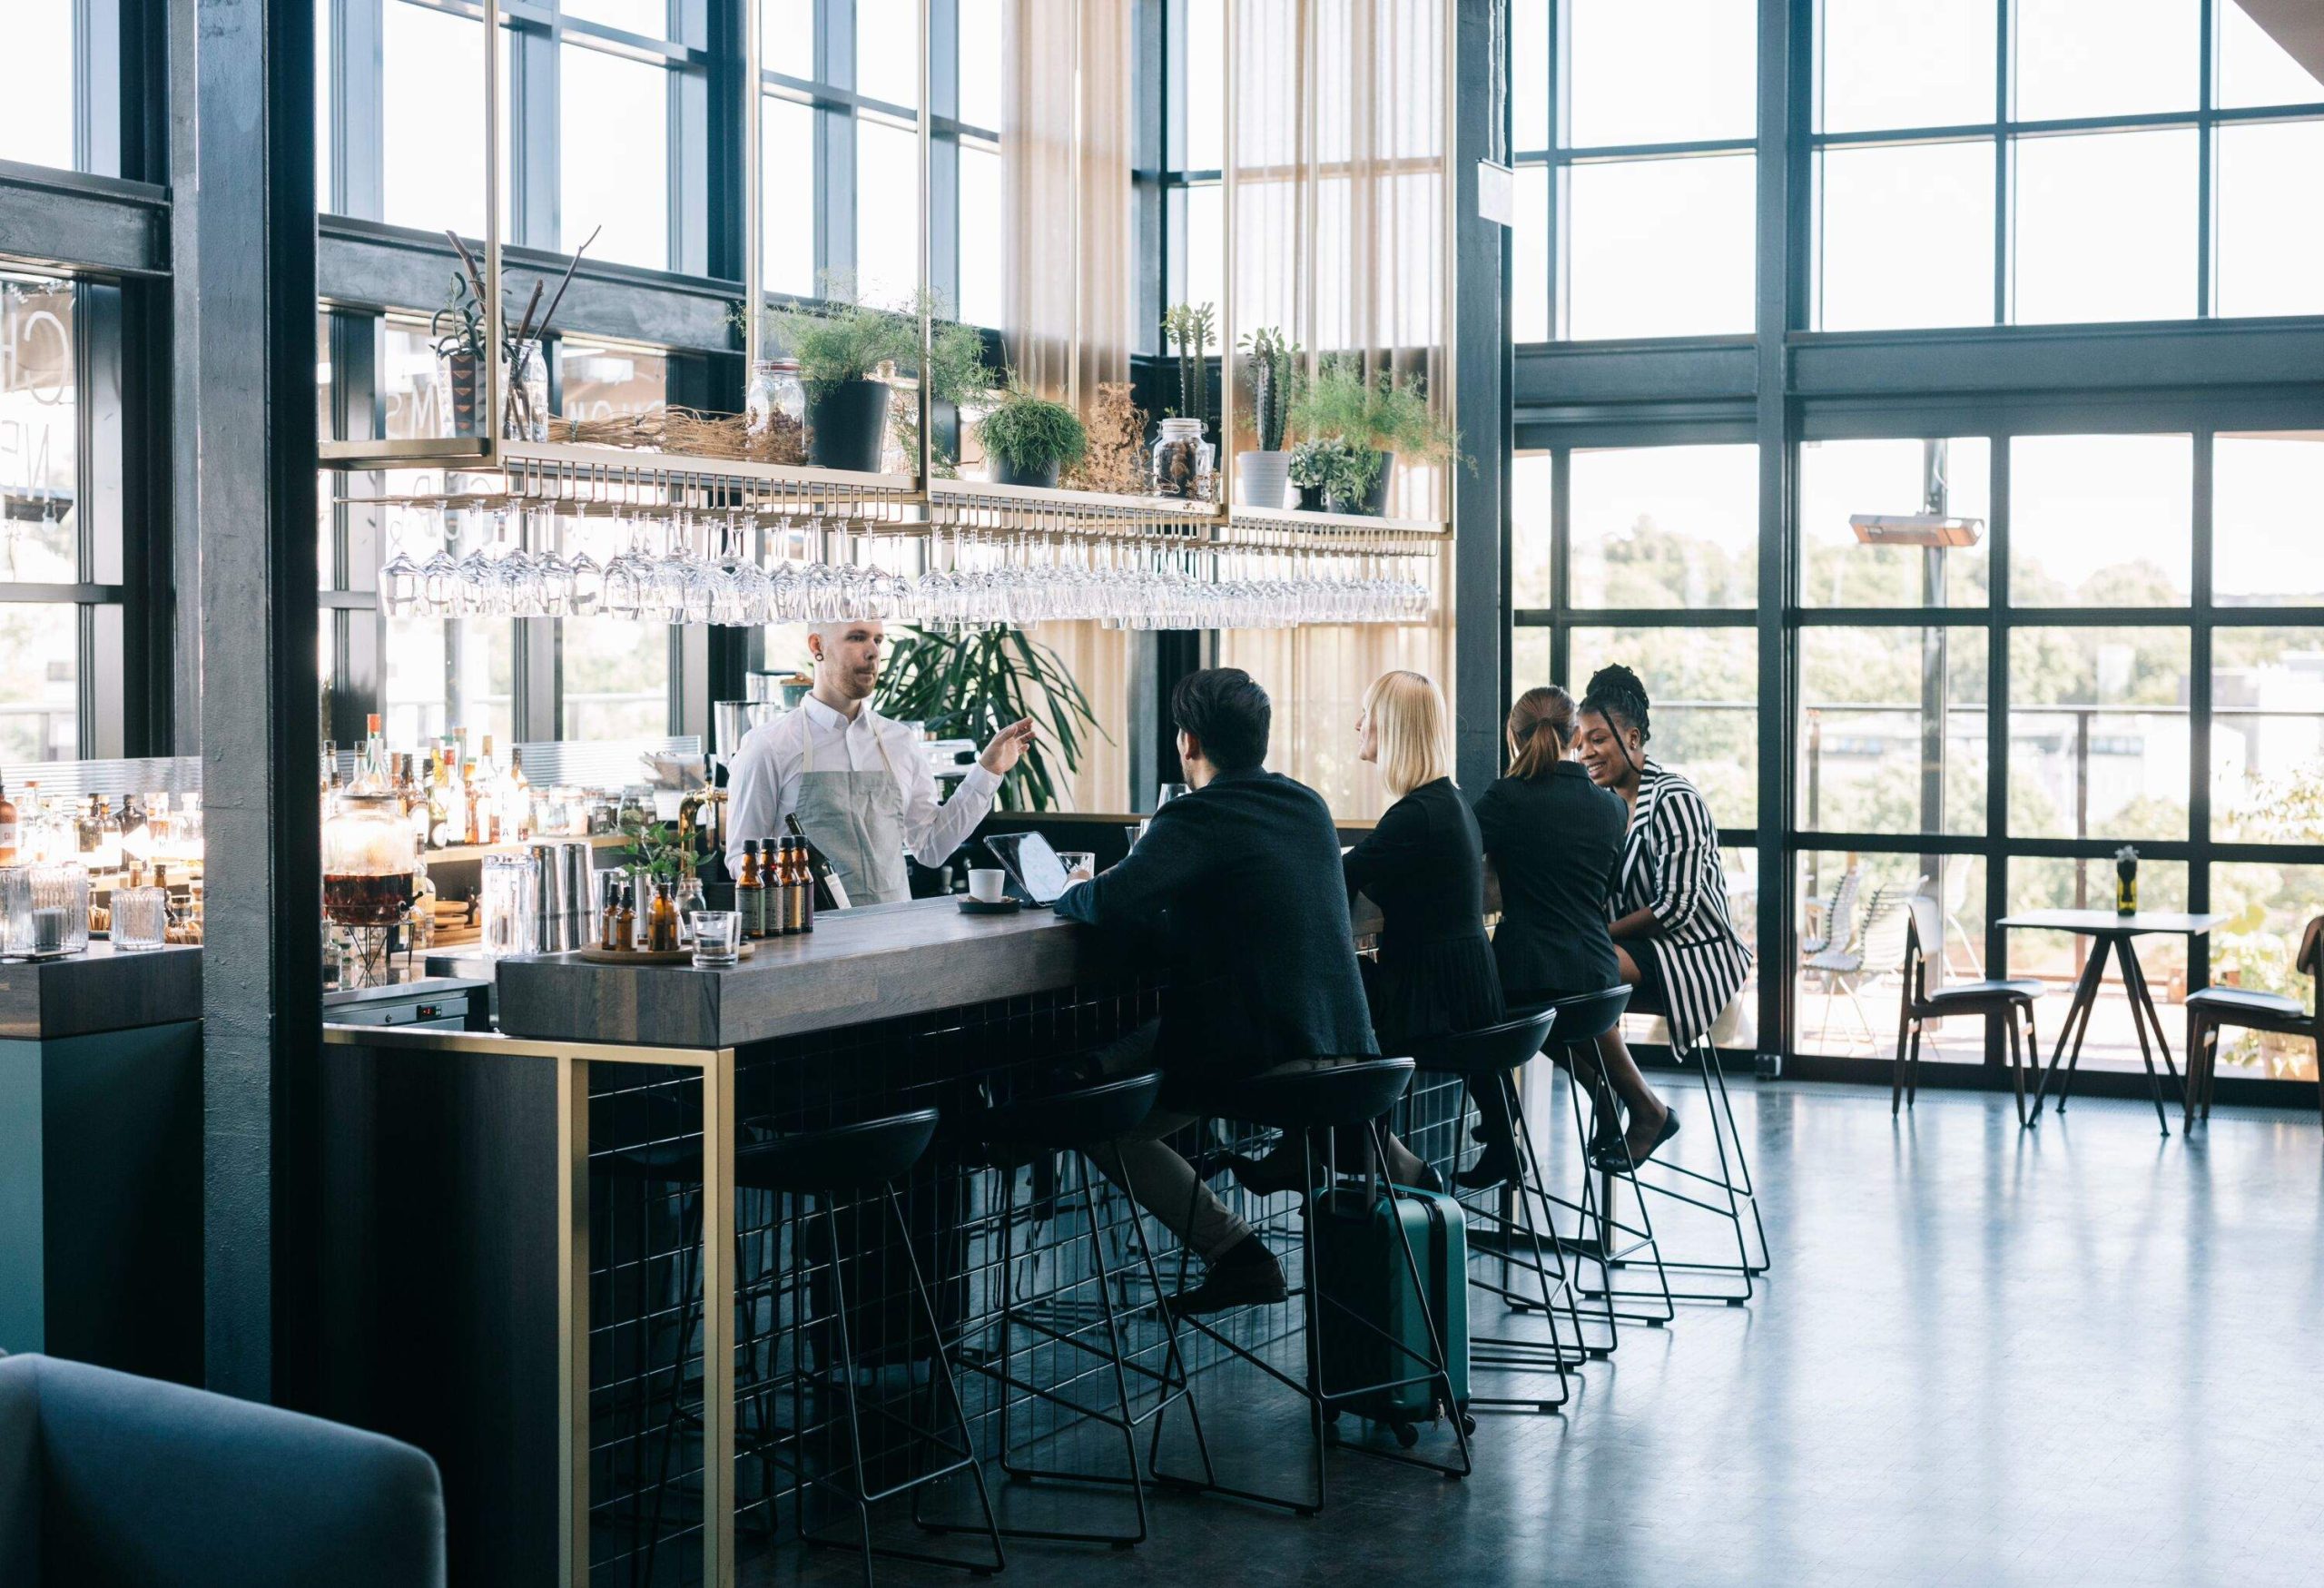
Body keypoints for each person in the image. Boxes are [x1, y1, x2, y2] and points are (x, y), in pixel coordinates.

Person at [1054, 667, 1379, 1314]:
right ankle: (1095, 1066)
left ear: (1188, 742)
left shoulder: (1198, 813)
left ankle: (1237, 1254)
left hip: (1269, 1053)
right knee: (1136, 1047)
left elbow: (1110, 901)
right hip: (1349, 1047)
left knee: (1104, 1124)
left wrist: (1065, 892)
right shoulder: (1308, 803)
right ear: (1261, 737)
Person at [1224, 670, 1489, 1198]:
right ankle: (1325, 1155)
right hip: (1462, 988)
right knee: (1333, 1008)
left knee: (1311, 1008)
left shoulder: (1415, 815)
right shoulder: (1446, 801)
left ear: (1391, 726)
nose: (1357, 724)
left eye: (1367, 713)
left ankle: (1304, 1153)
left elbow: (1337, 879)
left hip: (1430, 997)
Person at [1573, 664, 1752, 1171]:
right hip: (1639, 953)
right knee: (1544, 983)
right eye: (1579, 740)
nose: (1585, 751)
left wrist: (1594, 934)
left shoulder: (1674, 798)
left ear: (1633, 738)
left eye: (1598, 738)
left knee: (1581, 973)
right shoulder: (1603, 805)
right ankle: (1605, 1093)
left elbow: (1677, 906)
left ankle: (1648, 1111)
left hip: (1696, 952)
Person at [723, 619, 1034, 904]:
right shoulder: (767, 746)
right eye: (857, 638)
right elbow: (741, 858)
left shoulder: (899, 742)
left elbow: (931, 847)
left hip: (894, 939)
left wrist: (987, 772)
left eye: (878, 639)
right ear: (817, 646)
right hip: (808, 944)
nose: (873, 652)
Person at [1469, 685, 1628, 1187]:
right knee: (1527, 1020)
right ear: (1574, 736)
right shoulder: (1611, 808)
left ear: (1514, 740)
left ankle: (1501, 1138)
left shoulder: (1506, 799)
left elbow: (1457, 854)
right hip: (1600, 979)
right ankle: (1603, 1089)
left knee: (1469, 1014)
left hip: (1532, 978)